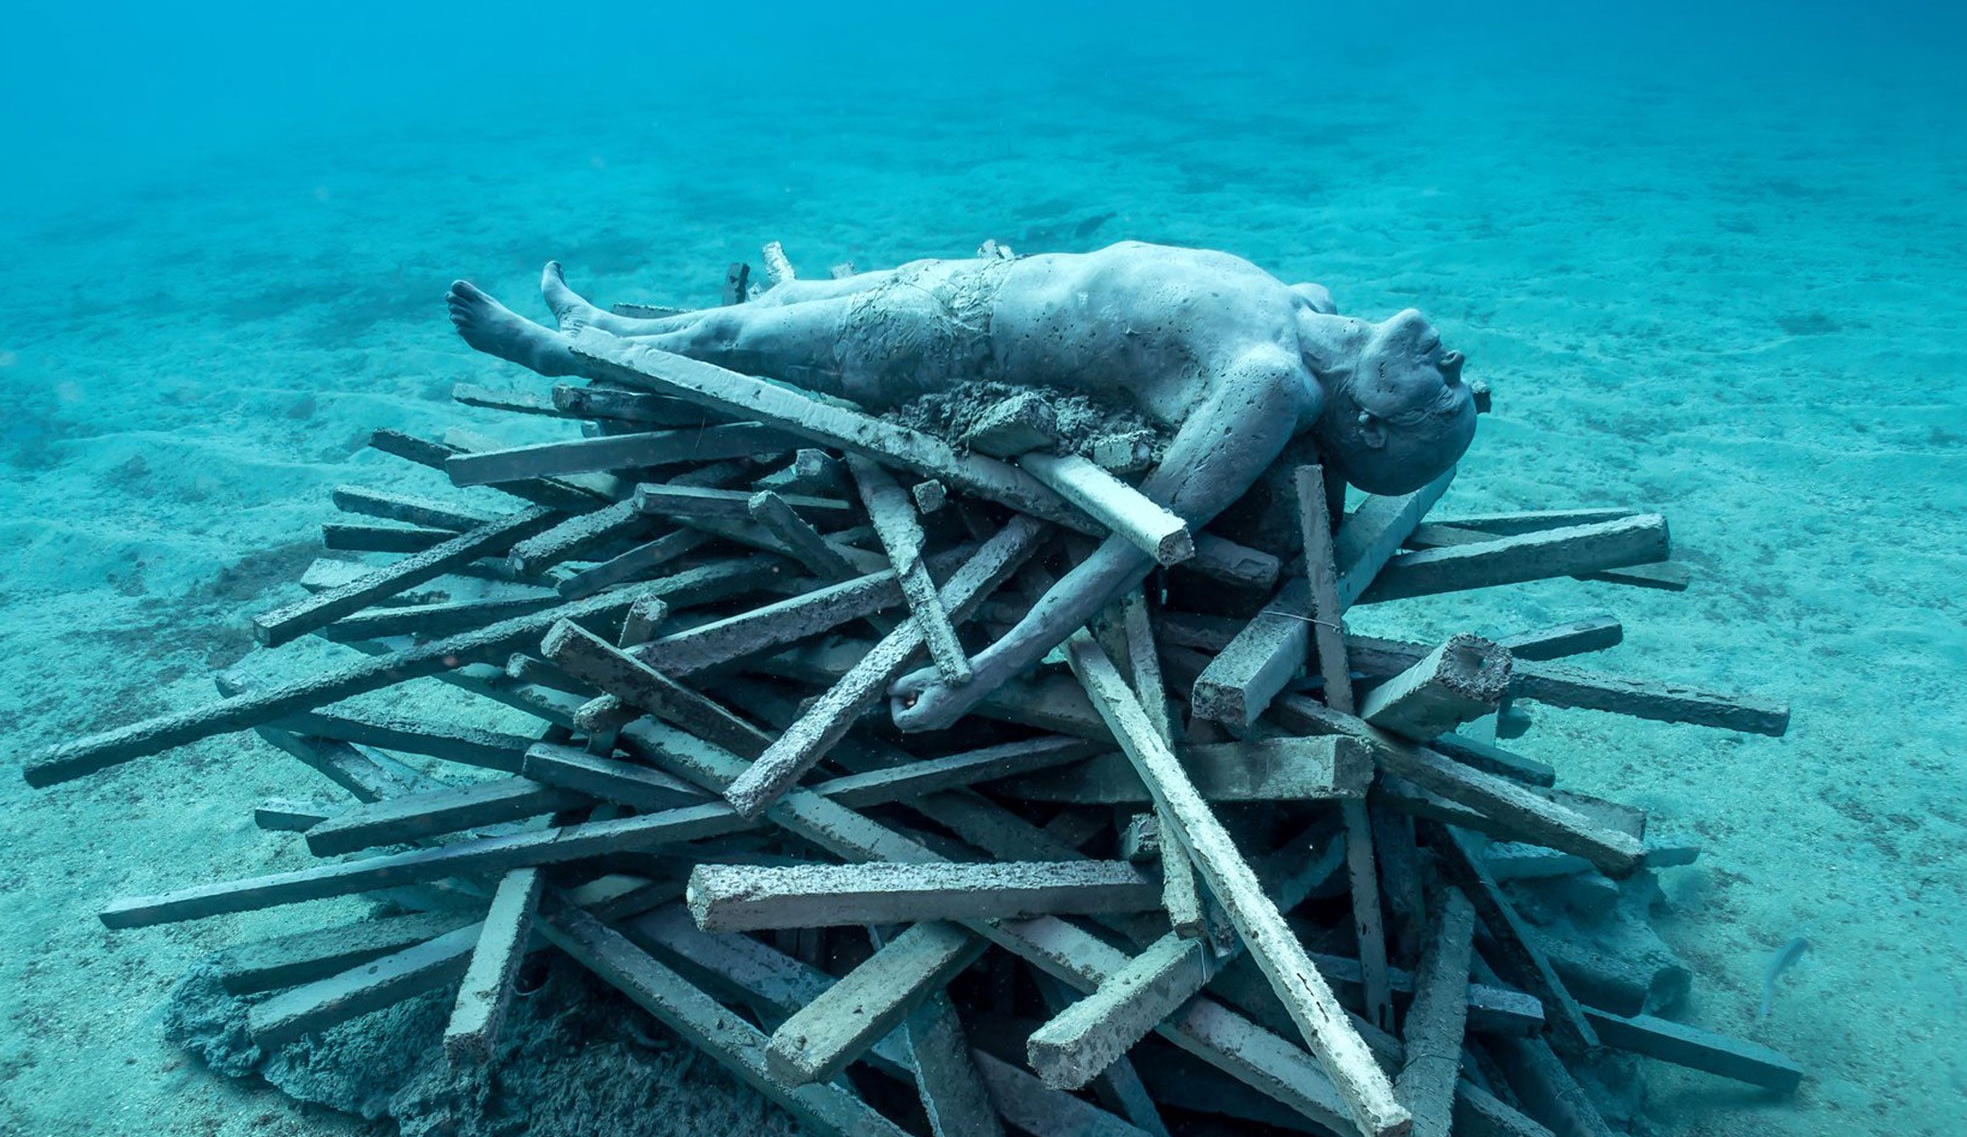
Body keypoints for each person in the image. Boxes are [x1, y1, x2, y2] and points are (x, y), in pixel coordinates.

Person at [448, 241, 1476, 730]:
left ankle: (559, 354)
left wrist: (976, 674)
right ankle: (612, 328)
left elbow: (1141, 539)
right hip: (988, 284)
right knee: (793, 300)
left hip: (956, 342)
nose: (1456, 365)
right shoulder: (1308, 307)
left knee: (741, 339)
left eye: (1446, 395)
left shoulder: (1266, 385)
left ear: (1372, 422)